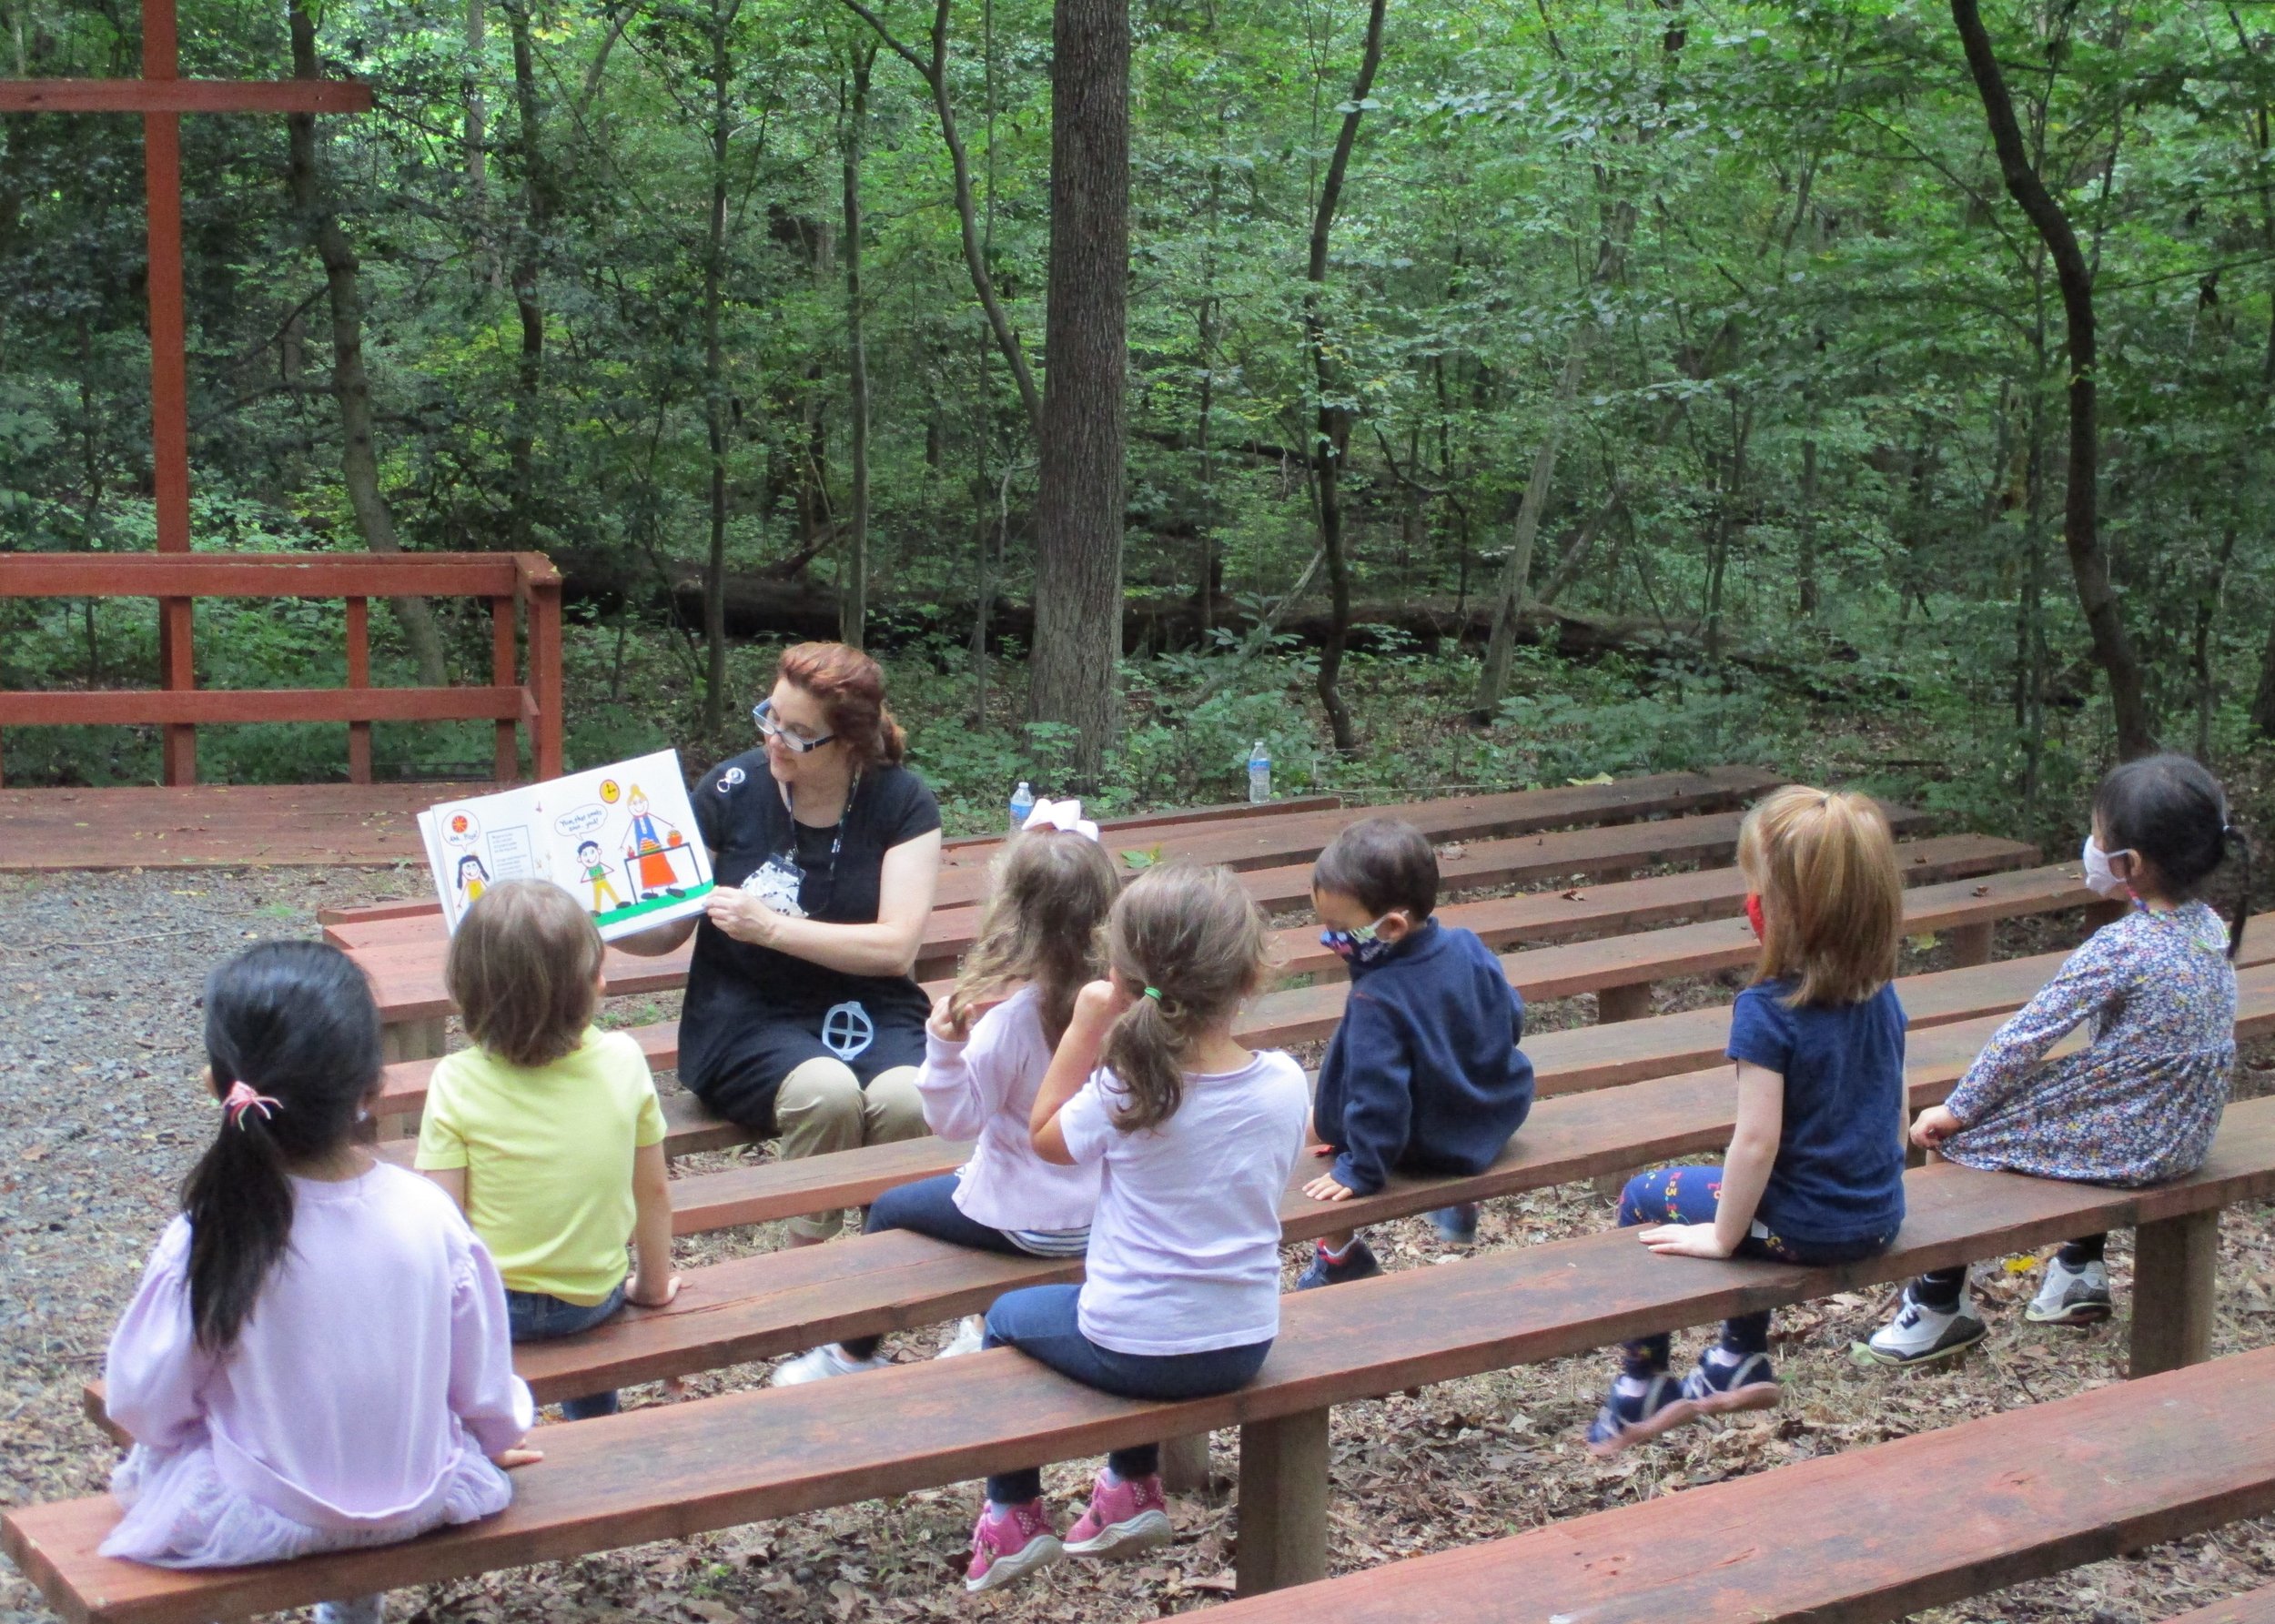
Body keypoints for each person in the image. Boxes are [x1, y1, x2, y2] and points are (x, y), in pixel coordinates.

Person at [100, 942, 535, 1624]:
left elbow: (141, 1404)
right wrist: (502, 1431)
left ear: (222, 1090)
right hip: (416, 1500)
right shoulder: (429, 1214)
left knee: (180, 1457)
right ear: (373, 1089)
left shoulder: (213, 1231)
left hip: (268, 1511)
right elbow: (483, 1391)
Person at [958, 863, 1310, 1593]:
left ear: (1120, 975)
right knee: (1134, 1310)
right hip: (1245, 1338)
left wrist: (1088, 1024)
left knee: (1005, 1317)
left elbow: (1046, 1137)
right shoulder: (1283, 1081)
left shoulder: (1130, 1087)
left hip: (1135, 1342)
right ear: (1249, 976)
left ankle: (1013, 1511)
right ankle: (1126, 1485)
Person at [1860, 753, 2251, 1367]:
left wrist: (1956, 1111)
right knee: (2067, 1106)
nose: (2091, 846)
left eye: (2099, 836)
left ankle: (1938, 1306)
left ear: (2131, 865)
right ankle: (2077, 1268)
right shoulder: (2211, 926)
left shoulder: (2123, 944)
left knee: (1958, 1139)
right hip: (2186, 1130)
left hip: (2135, 1139)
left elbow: (2024, 1038)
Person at [1584, 786, 1908, 1457]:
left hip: (1806, 1227)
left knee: (1648, 1195)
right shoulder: (1882, 994)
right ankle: (1736, 1355)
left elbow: (1756, 1142)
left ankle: (1645, 1379)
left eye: (1757, 888)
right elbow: (1897, 1111)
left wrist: (1724, 1237)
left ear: (1789, 912)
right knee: (1754, 1194)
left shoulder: (1766, 1010)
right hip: (1879, 1214)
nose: (1749, 903)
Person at [776, 800, 1119, 1384]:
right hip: (1105, 1209)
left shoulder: (1012, 1023)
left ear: (1011, 917)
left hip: (1030, 1221)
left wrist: (943, 1048)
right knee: (966, 1183)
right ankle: (976, 1324)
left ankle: (848, 1356)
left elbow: (954, 1122)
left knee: (890, 1209)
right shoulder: (1126, 1006)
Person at [619, 641, 943, 1246]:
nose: (774, 739)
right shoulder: (730, 788)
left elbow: (895, 948)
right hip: (746, 1012)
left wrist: (771, 927)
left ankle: (878, 1283)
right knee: (827, 1092)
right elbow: (668, 926)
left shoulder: (902, 801)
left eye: (796, 734)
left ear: (847, 744)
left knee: (909, 1099)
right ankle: (808, 1270)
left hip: (869, 1008)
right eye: (770, 716)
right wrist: (596, 916)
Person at [416, 881, 680, 1418]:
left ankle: (487, 1435)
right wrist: (652, 1287)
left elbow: (442, 1227)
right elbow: (652, 1191)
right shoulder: (624, 1060)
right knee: (588, 1361)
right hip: (590, 1299)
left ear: (467, 989)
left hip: (491, 1310)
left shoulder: (454, 1080)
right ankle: (599, 1431)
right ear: (586, 987)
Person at [1297, 816, 1536, 1285]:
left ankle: (1337, 1256)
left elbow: (1378, 1097)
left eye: (1337, 927)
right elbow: (1511, 1018)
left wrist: (1360, 1170)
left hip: (1427, 1142)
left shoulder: (1376, 998)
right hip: (1490, 1117)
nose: (1329, 939)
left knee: (1309, 1135)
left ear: (1391, 926)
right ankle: (1454, 1199)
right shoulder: (1467, 945)